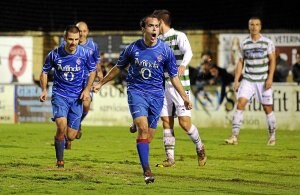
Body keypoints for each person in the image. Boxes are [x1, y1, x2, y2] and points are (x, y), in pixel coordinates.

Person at [92, 14, 192, 184]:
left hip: (156, 96)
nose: (154, 29)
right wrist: (101, 83)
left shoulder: (166, 51)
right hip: (136, 91)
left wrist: (184, 97)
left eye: (157, 26)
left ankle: (137, 122)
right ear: (143, 29)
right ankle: (147, 171)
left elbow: (174, 77)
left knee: (148, 136)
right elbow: (118, 68)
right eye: (151, 26)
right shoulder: (132, 48)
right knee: (143, 129)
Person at [150, 9, 206, 167]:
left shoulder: (179, 36)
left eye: (155, 24)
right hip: (163, 86)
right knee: (166, 121)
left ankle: (200, 147)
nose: (153, 27)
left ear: (161, 22)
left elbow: (189, 52)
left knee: (184, 123)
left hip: (181, 85)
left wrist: (182, 65)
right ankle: (170, 158)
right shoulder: (158, 40)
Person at [39, 25, 96, 168]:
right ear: (65, 38)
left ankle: (66, 138)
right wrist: (44, 90)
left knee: (70, 135)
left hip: (77, 98)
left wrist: (87, 90)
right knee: (61, 125)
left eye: (76, 39)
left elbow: (92, 71)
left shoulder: (85, 53)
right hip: (60, 95)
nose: (73, 42)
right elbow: (44, 72)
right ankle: (60, 160)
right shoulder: (54, 54)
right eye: (70, 39)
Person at [225, 16, 276, 146]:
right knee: (240, 104)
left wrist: (270, 77)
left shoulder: (267, 42)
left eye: (257, 24)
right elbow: (240, 62)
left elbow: (272, 60)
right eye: (252, 24)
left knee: (267, 108)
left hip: (263, 79)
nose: (254, 27)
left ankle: (272, 136)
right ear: (249, 26)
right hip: (248, 79)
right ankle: (234, 136)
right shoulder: (244, 43)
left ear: (260, 27)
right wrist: (236, 80)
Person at [75, 21, 103, 140]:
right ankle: (69, 131)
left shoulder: (92, 45)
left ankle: (76, 123)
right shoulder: (71, 44)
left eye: (84, 31)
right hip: (73, 81)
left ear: (88, 32)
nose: (81, 34)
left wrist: (100, 72)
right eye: (79, 31)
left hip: (87, 80)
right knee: (72, 107)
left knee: (86, 105)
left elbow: (96, 60)